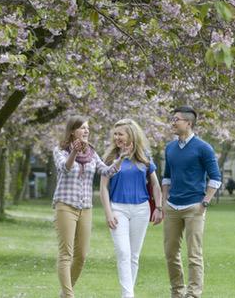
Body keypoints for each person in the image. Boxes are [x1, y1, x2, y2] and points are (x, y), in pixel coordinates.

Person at [53, 115, 125, 298]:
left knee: (82, 255)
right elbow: (65, 168)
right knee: (65, 253)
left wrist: (121, 159)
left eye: (88, 128)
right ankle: (69, 295)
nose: (86, 131)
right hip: (65, 206)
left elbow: (106, 171)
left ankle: (64, 293)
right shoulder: (60, 150)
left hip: (85, 208)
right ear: (72, 131)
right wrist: (74, 153)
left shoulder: (92, 153)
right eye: (83, 128)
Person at [161, 106, 221, 298]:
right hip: (172, 207)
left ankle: (193, 294)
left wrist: (205, 203)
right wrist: (164, 202)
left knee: (194, 255)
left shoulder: (203, 148)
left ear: (188, 123)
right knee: (171, 254)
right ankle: (177, 292)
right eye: (172, 119)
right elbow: (166, 177)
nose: (173, 122)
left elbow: (215, 178)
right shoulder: (169, 148)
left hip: (194, 208)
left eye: (176, 119)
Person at [100, 118, 163, 298]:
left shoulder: (145, 157)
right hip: (118, 208)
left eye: (121, 134)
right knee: (123, 252)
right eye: (115, 134)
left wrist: (158, 207)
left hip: (141, 210)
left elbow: (156, 185)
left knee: (134, 255)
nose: (117, 137)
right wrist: (108, 212)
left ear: (131, 135)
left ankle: (127, 293)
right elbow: (103, 187)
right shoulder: (110, 158)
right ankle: (128, 295)